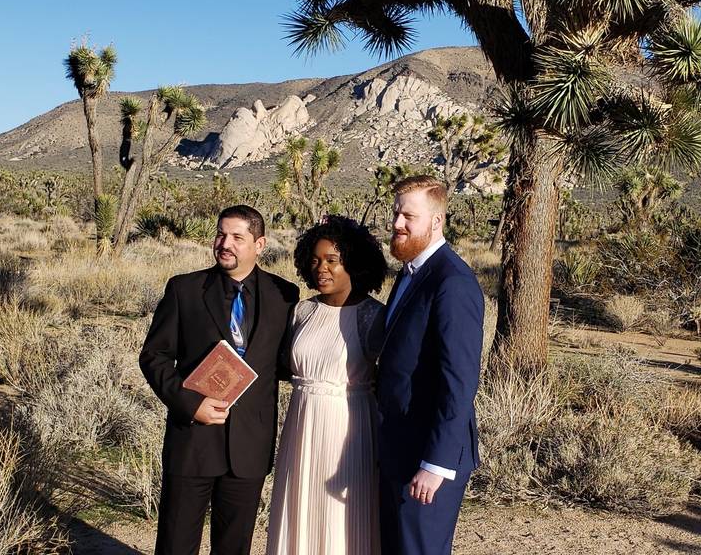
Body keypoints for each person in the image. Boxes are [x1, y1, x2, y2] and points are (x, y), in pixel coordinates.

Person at [139, 205, 299, 555]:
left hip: (249, 446)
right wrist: (188, 402)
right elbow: (154, 356)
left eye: (237, 238)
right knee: (176, 543)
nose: (225, 244)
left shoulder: (284, 295)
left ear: (259, 245)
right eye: (221, 234)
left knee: (234, 546)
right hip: (192, 439)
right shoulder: (185, 289)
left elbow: (285, 362)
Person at [372, 175, 484, 555]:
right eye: (396, 213)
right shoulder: (410, 274)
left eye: (409, 216)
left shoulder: (452, 282)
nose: (397, 224)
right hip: (398, 445)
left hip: (427, 453)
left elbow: (460, 380)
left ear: (437, 221)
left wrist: (435, 464)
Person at [266, 215, 388, 555]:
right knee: (299, 506)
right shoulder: (302, 311)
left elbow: (390, 379)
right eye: (316, 260)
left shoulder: (372, 316)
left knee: (341, 518)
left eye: (332, 260)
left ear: (354, 263)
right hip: (300, 424)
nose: (321, 268)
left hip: (349, 429)